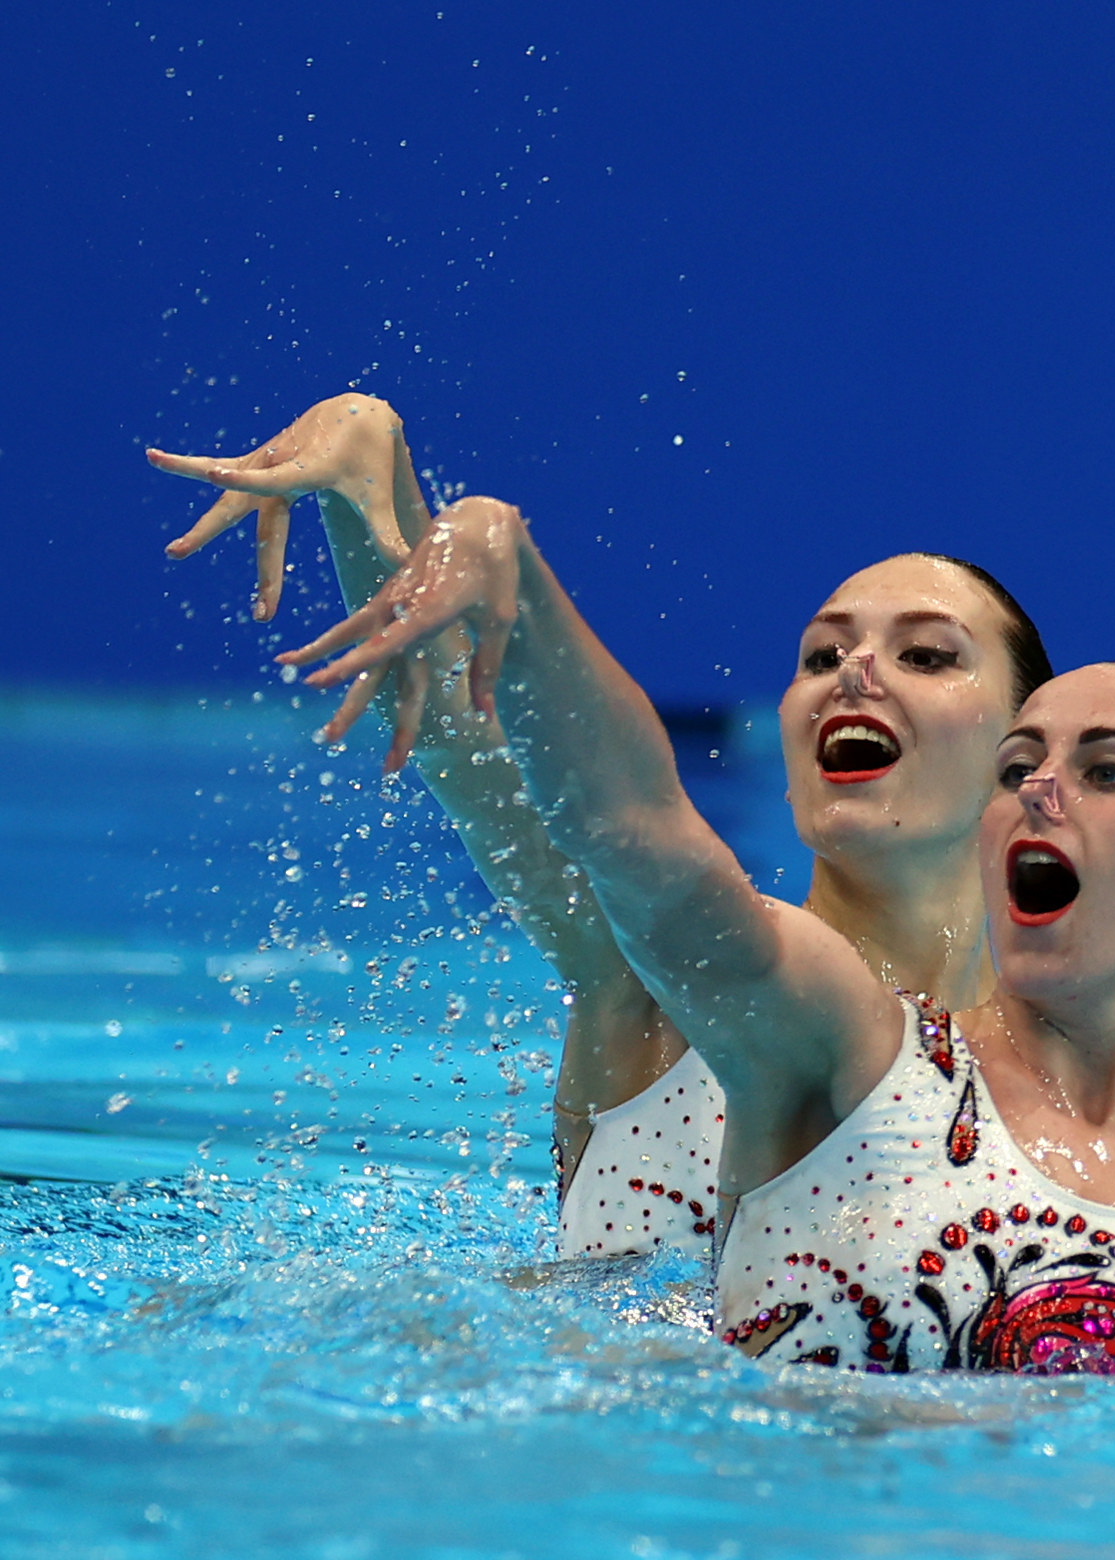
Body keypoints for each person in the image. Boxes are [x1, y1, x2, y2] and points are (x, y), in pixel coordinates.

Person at [279, 494, 1115, 1365]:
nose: (1044, 791)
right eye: (1022, 766)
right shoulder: (842, 1050)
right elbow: (633, 835)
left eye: (1107, 770)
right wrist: (499, 566)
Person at [150, 396, 1049, 1263]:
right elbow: (488, 775)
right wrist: (370, 481)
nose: (854, 672)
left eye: (925, 654)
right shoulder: (662, 977)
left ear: (1025, 763)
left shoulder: (1073, 1099)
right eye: (821, 654)